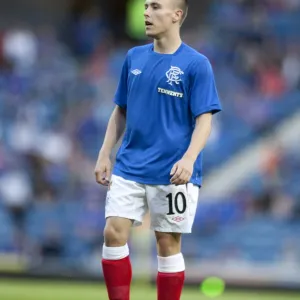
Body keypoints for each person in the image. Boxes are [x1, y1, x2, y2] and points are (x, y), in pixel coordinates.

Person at [94, 0, 222, 299]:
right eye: (146, 6)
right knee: (113, 232)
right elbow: (120, 110)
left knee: (167, 243)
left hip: (173, 171)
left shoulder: (196, 63)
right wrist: (104, 152)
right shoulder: (133, 57)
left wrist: (189, 159)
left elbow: (205, 120)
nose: (146, 12)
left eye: (154, 7)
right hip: (129, 165)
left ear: (176, 15)